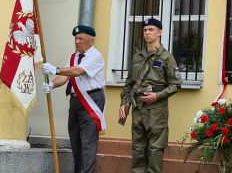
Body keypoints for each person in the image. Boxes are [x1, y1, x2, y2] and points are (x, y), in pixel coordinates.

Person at [118, 18, 182, 173]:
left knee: (155, 149)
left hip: (156, 111)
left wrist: (157, 96)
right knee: (138, 148)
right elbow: (129, 84)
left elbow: (176, 84)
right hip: (138, 108)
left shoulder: (166, 57)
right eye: (145, 30)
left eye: (151, 29)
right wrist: (123, 103)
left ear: (159, 32)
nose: (147, 32)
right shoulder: (137, 57)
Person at [41, 25, 106, 173]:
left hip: (91, 100)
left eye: (81, 38)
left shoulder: (95, 56)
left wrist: (55, 69)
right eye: (76, 38)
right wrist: (52, 84)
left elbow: (78, 71)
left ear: (91, 41)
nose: (77, 41)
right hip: (75, 102)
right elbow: (65, 76)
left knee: (87, 145)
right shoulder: (73, 57)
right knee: (76, 144)